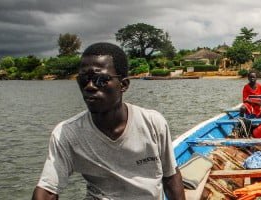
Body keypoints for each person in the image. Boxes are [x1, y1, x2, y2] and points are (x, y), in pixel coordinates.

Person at [32, 42, 185, 200]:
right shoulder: (68, 133)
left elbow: (170, 177)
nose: (89, 86)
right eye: (84, 79)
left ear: (123, 85)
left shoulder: (153, 123)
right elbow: (47, 191)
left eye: (100, 79)